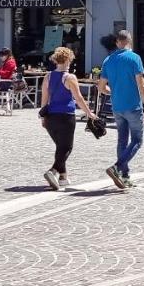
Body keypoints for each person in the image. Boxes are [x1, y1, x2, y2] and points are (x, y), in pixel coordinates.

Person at [98, 30, 144, 190]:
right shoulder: (134, 58)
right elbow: (141, 85)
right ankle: (118, 167)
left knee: (122, 140)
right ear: (129, 41)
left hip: (117, 106)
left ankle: (124, 176)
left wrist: (112, 91)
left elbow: (101, 87)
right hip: (133, 106)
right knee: (137, 140)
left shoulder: (108, 60)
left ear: (116, 42)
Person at [39, 46, 94, 191]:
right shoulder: (70, 77)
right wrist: (89, 113)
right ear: (68, 60)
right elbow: (79, 98)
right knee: (67, 147)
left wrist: (43, 117)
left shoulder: (48, 76)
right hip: (66, 116)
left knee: (60, 147)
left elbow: (44, 99)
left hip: (50, 116)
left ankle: (63, 177)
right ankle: (52, 171)